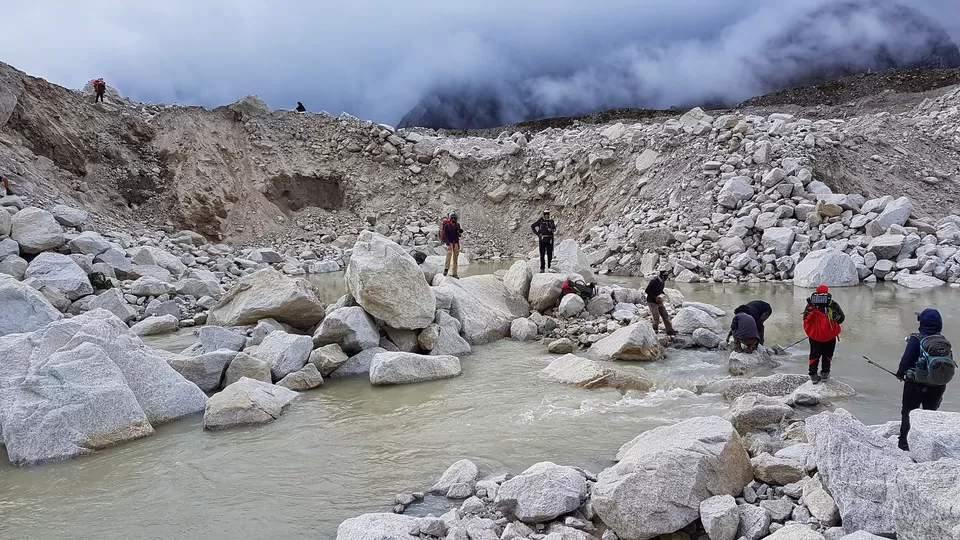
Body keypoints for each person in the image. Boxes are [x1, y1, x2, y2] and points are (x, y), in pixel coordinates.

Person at [896, 308, 954, 451]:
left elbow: (905, 361)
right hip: (938, 385)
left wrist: (900, 374)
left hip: (915, 384)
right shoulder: (943, 341)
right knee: (929, 415)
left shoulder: (916, 339)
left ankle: (904, 445)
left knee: (908, 412)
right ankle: (928, 448)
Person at [802, 285, 845, 383]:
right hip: (829, 335)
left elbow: (805, 319)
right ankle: (825, 374)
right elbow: (841, 319)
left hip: (814, 335)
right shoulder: (832, 304)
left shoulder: (811, 305)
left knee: (814, 354)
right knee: (827, 354)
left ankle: (813, 374)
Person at [644, 270, 676, 335]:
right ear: (662, 276)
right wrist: (655, 297)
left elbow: (660, 290)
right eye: (665, 277)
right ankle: (655, 330)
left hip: (659, 300)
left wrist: (664, 295)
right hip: (652, 301)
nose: (666, 279)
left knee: (665, 315)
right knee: (656, 316)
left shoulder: (662, 282)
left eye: (667, 277)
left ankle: (669, 330)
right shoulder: (653, 282)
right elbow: (647, 290)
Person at [440, 212, 463, 278]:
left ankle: (454, 273)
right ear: (451, 219)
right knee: (449, 254)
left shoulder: (457, 225)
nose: (454, 220)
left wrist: (459, 233)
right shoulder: (447, 226)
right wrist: (448, 244)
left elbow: (458, 234)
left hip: (456, 242)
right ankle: (446, 269)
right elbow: (446, 236)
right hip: (450, 242)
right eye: (453, 218)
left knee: (455, 258)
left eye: (455, 219)